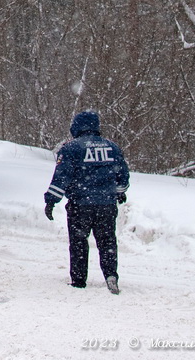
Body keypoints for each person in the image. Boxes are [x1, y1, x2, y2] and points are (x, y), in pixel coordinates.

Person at [44, 110, 130, 294]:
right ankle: (110, 275)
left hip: (80, 205)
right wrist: (119, 192)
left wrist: (51, 200)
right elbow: (123, 176)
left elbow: (61, 177)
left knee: (79, 242)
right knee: (107, 241)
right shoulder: (112, 147)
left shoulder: (71, 148)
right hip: (106, 205)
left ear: (76, 127)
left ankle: (79, 279)